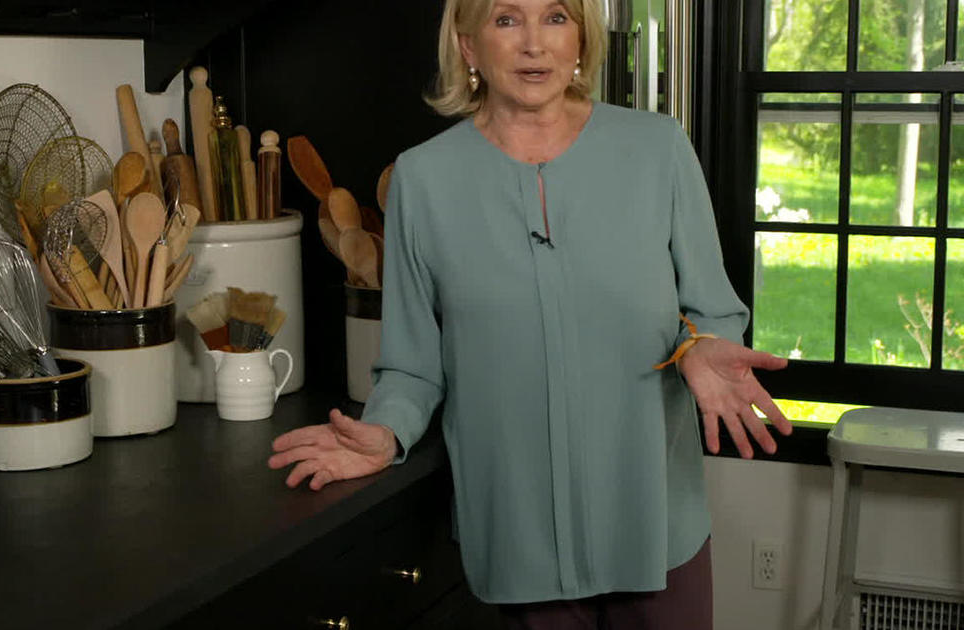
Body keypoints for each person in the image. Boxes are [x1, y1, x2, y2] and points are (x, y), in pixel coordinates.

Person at [268, 0, 793, 627]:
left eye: (556, 17)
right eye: (506, 19)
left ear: (581, 39)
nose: (534, 44)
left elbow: (712, 310)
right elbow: (411, 364)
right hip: (516, 533)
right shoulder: (423, 178)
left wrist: (704, 346)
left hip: (655, 521)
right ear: (468, 46)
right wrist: (386, 434)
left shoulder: (659, 149)